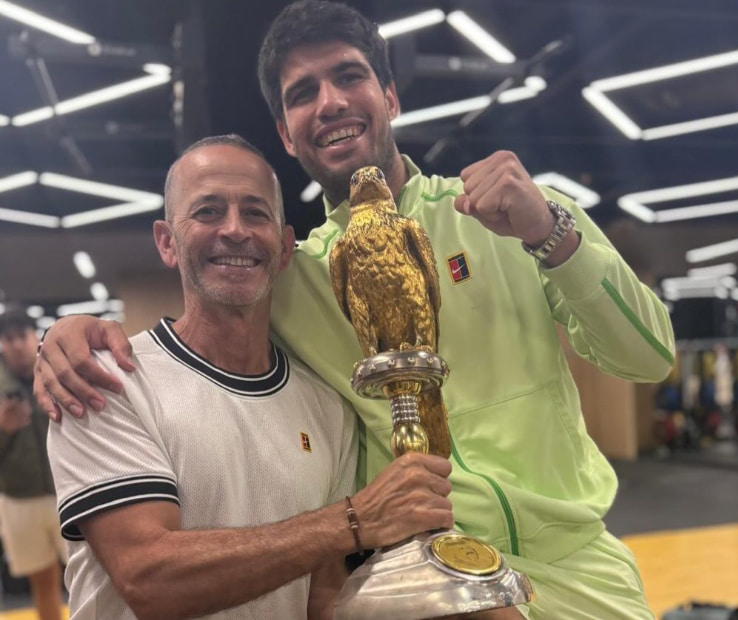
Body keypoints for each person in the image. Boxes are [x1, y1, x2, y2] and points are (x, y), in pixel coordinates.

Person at [34, 2, 676, 618]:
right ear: (286, 134)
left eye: (348, 76)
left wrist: (554, 236)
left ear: (389, 96)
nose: (331, 102)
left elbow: (649, 358)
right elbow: (212, 295)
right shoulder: (300, 272)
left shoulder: (514, 218)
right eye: (302, 92)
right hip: (431, 587)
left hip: (580, 570)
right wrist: (68, 336)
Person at [46, 135, 455, 620]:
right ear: (166, 242)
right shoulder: (103, 380)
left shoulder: (327, 407)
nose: (235, 230)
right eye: (207, 212)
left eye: (256, 213)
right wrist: (355, 519)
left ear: (284, 249)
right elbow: (150, 577)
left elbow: (320, 595)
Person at [0, 310, 66, 620]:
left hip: (67, 491)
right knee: (43, 584)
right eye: (8, 338)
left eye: (21, 336)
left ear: (34, 338)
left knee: (95, 575)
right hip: (18, 498)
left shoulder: (60, 373)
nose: (16, 345)